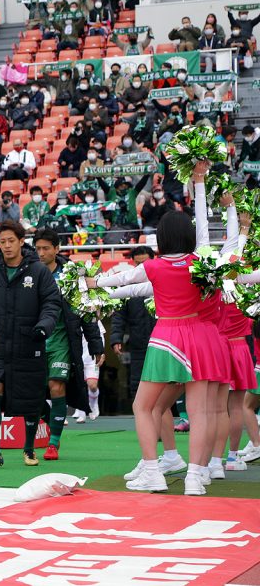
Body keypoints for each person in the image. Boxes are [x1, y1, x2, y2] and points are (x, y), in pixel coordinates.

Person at [93, 167, 227, 495]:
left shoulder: (153, 266)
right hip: (199, 336)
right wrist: (198, 184)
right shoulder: (201, 264)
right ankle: (195, 478)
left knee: (142, 406)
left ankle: (153, 470)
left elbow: (121, 280)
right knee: (200, 411)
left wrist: (91, 283)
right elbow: (206, 235)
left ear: (161, 238)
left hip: (167, 337)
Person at [0, 221, 61, 468]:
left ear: (22, 242)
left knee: (31, 398)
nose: (7, 246)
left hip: (29, 344)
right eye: (2, 241)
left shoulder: (39, 271)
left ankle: (29, 448)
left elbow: (52, 303)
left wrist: (44, 325)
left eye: (11, 241)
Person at [30, 228, 101, 457]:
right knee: (31, 393)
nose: (41, 253)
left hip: (61, 340)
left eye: (46, 248)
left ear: (57, 249)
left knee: (56, 385)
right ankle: (53, 423)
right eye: (37, 249)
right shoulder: (28, 272)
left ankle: (53, 442)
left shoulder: (71, 275)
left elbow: (85, 310)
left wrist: (96, 344)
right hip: (33, 341)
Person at [110, 246, 158, 400]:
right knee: (138, 383)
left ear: (153, 260)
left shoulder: (163, 282)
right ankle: (139, 413)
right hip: (138, 343)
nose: (142, 267)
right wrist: (116, 338)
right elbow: (119, 315)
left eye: (145, 263)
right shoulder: (127, 287)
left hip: (163, 342)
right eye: (138, 264)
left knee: (165, 382)